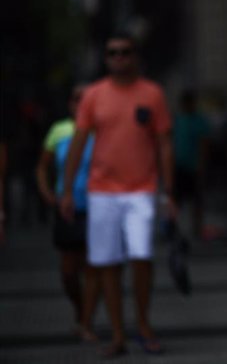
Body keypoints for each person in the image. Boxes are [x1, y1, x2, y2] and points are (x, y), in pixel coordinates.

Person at [60, 34, 175, 358]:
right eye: (112, 53)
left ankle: (143, 325)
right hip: (101, 193)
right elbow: (79, 142)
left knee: (141, 257)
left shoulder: (152, 93)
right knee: (107, 263)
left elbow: (165, 143)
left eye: (125, 52)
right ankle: (118, 335)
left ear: (135, 56)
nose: (119, 58)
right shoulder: (94, 95)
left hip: (141, 190)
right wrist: (67, 190)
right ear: (106, 58)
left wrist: (169, 192)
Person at [35, 85, 100, 342]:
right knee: (69, 271)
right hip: (68, 207)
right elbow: (42, 167)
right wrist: (47, 193)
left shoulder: (101, 128)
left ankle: (86, 322)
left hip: (98, 204)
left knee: (94, 267)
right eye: (76, 98)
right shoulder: (59, 130)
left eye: (85, 99)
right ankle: (80, 309)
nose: (80, 103)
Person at [172, 88, 210, 239]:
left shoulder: (199, 120)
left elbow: (204, 144)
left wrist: (202, 166)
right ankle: (173, 228)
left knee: (197, 200)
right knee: (177, 200)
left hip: (194, 167)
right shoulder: (177, 120)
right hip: (179, 166)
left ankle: (197, 229)